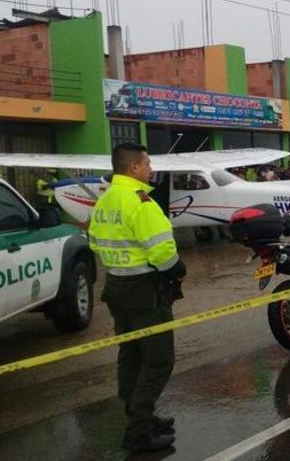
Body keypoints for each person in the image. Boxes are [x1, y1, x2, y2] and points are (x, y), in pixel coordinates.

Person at [88, 143, 186, 452]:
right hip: (145, 292)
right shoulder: (140, 202)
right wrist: (178, 269)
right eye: (147, 164)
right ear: (134, 168)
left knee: (130, 355)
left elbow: (94, 242)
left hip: (116, 287)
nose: (151, 170)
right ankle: (139, 432)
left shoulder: (105, 201)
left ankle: (138, 416)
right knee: (158, 361)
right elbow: (162, 251)